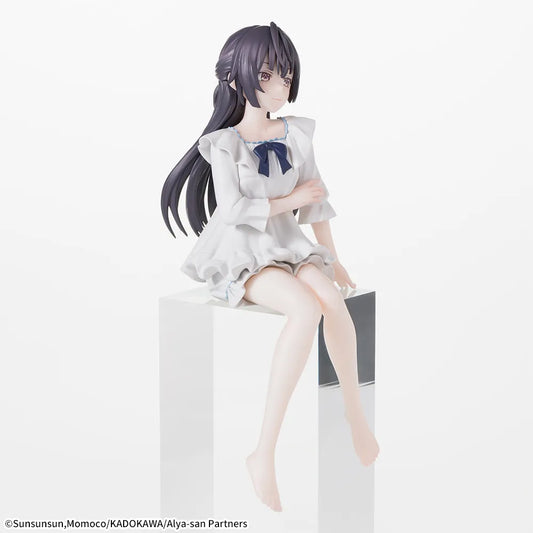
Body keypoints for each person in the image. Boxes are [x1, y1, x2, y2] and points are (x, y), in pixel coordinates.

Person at [161, 21, 379, 512]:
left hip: (290, 245)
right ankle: (263, 451)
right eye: (266, 75)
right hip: (244, 251)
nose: (280, 86)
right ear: (234, 77)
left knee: (331, 298)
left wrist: (334, 257)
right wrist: (290, 200)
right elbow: (234, 210)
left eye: (285, 75)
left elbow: (317, 200)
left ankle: (353, 412)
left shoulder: (296, 133)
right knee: (304, 309)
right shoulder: (225, 143)